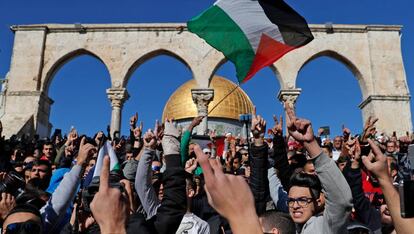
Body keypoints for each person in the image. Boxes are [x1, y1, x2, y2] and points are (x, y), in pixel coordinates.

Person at [284, 102, 353, 233]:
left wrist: (310, 144)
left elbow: (341, 201)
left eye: (303, 200)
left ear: (318, 202)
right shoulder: (288, 226)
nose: (295, 206)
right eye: (291, 201)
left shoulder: (325, 224)